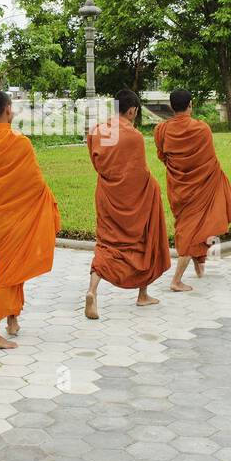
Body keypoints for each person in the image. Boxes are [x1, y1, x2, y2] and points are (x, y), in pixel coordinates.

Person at [0, 90, 61, 349]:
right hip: (14, 215)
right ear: (8, 109)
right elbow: (35, 183)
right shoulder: (20, 142)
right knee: (6, 270)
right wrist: (47, 202)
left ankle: (12, 319)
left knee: (12, 263)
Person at [85, 90, 171, 318]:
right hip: (136, 199)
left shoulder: (97, 131)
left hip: (106, 196)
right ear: (132, 110)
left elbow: (97, 163)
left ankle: (92, 290)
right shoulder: (134, 137)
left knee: (106, 243)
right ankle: (142, 295)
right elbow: (139, 172)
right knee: (144, 240)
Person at [153, 89, 231, 291]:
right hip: (203, 184)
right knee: (194, 230)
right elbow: (208, 157)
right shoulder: (202, 129)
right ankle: (176, 280)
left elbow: (162, 156)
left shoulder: (161, 130)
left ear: (172, 107)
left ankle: (200, 267)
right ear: (190, 105)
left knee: (196, 226)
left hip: (179, 187)